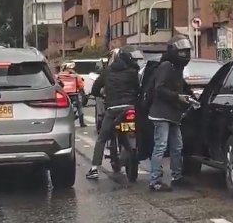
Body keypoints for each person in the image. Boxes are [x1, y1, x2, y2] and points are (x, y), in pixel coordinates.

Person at [86, 45, 142, 180]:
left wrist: (103, 95)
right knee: (138, 132)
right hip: (130, 108)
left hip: (113, 109)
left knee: (102, 138)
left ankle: (94, 168)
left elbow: (95, 89)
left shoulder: (107, 71)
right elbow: (138, 89)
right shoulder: (133, 72)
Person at [147, 35, 193, 192]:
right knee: (160, 146)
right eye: (182, 51)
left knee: (177, 146)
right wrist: (177, 97)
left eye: (186, 51)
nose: (185, 55)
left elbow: (180, 88)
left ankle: (177, 176)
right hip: (161, 114)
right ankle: (155, 181)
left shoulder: (177, 68)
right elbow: (159, 89)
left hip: (173, 113)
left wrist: (189, 96)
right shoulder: (166, 66)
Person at [56, 63, 86, 127]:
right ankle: (82, 123)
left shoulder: (59, 75)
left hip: (64, 95)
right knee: (79, 107)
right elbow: (81, 85)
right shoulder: (75, 75)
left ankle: (64, 122)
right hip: (74, 94)